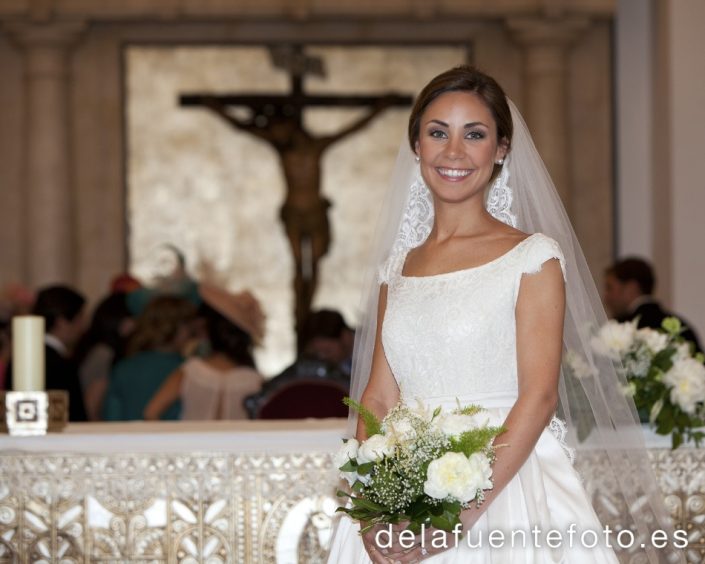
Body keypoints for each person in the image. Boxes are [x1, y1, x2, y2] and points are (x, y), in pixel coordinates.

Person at [327, 67, 681, 563]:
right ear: (417, 147)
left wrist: (460, 516)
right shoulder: (397, 268)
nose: (454, 152)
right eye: (437, 133)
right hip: (400, 488)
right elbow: (380, 395)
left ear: (501, 150)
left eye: (474, 134)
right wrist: (371, 510)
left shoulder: (532, 257)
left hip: (501, 489)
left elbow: (539, 396)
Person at [144, 285, 265, 421]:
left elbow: (151, 412)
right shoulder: (255, 381)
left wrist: (170, 441)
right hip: (238, 443)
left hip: (191, 442)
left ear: (209, 331)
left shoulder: (191, 371)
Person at [102, 295, 196, 421]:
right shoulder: (190, 370)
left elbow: (112, 419)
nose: (191, 332)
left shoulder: (124, 368)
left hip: (131, 439)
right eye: (188, 325)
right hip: (178, 439)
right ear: (177, 328)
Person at [604, 257, 702, 352]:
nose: (606, 297)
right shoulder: (682, 327)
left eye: (610, 288)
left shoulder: (621, 329)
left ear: (631, 288)